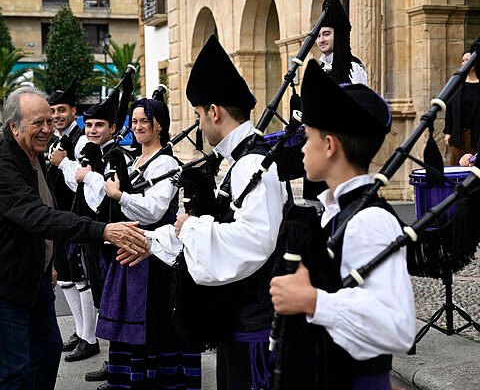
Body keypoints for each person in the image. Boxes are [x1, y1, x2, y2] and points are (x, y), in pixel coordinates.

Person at [117, 35, 288, 390]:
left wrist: (192, 227)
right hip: (237, 322)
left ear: (214, 111)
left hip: (254, 327)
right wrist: (149, 240)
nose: (198, 124)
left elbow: (253, 242)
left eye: (198, 114)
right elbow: (216, 229)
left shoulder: (252, 164)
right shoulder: (238, 161)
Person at [269, 60, 415, 389]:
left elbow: (397, 326)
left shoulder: (371, 221)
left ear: (331, 145)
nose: (303, 148)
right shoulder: (331, 211)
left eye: (308, 138)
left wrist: (312, 301)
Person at [0, 86, 146, 390]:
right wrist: (104, 230)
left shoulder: (34, 154)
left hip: (36, 280)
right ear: (13, 127)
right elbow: (36, 216)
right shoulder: (4, 165)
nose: (46, 129)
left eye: (48, 121)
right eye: (37, 123)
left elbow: (46, 204)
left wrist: (47, 260)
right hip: (7, 287)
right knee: (15, 370)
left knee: (48, 351)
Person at [95, 97, 202, 390]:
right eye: (135, 121)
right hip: (129, 245)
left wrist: (119, 196)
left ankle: (152, 381)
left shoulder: (165, 162)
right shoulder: (133, 160)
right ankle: (130, 378)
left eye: (145, 121)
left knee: (154, 323)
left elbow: (154, 209)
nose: (138, 126)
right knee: (131, 324)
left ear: (159, 125)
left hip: (155, 255)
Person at [46, 78, 100, 363]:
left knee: (82, 278)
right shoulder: (57, 139)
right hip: (60, 218)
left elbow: (80, 183)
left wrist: (62, 163)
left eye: (61, 110)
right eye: (53, 110)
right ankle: (80, 332)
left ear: (74, 111)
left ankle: (90, 338)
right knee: (66, 277)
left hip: (78, 217)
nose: (56, 116)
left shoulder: (80, 140)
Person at [304, 0, 369, 212]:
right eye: (319, 35)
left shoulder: (353, 68)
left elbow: (361, 108)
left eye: (327, 34)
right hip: (319, 146)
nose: (321, 39)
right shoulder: (318, 68)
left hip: (342, 149)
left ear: (337, 35)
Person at [444, 51, 480, 166]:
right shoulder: (457, 84)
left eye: (468, 60)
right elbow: (450, 109)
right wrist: (448, 132)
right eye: (463, 60)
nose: (464, 63)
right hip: (459, 135)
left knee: (475, 169)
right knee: (456, 169)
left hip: (478, 135)